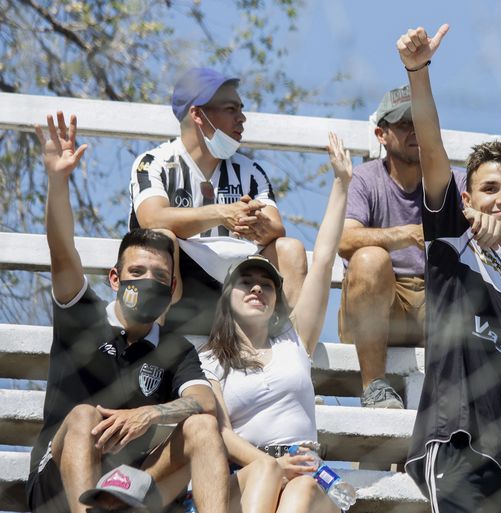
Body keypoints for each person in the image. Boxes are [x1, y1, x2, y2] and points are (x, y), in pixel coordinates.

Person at [28, 112, 230, 513]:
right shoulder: (81, 315)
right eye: (136, 272)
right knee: (84, 415)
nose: (147, 282)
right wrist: (57, 180)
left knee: (204, 427)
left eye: (159, 276)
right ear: (115, 279)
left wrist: (148, 415)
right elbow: (62, 252)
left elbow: (204, 401)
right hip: (58, 485)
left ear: (173, 289)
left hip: (131, 487)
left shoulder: (173, 350)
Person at [398, 25, 501, 513]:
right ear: (467, 196)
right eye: (490, 188)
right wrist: (418, 72)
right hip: (458, 444)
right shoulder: (455, 242)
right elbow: (432, 152)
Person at [196, 132, 353, 513]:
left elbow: (324, 258)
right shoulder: (209, 358)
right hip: (247, 472)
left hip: (307, 473)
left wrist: (340, 184)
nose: (257, 289)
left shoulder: (294, 340)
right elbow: (220, 432)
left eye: (267, 285)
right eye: (245, 282)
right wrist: (268, 464)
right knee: (275, 482)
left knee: (300, 492)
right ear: (227, 299)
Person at [129, 67, 307, 336]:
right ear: (198, 114)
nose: (242, 119)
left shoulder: (250, 170)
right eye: (231, 109)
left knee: (290, 248)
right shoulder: (155, 162)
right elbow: (152, 218)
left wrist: (257, 225)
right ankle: (154, 342)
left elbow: (277, 229)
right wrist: (223, 213)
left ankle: (287, 350)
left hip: (239, 280)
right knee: (161, 237)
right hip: (181, 286)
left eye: (241, 109)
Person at [338, 85, 463, 408]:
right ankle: (375, 388)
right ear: (382, 134)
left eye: (421, 123)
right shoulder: (365, 178)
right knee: (369, 260)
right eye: (405, 124)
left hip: (438, 301)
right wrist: (408, 234)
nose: (415, 132)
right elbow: (344, 240)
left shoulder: (456, 181)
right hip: (382, 302)